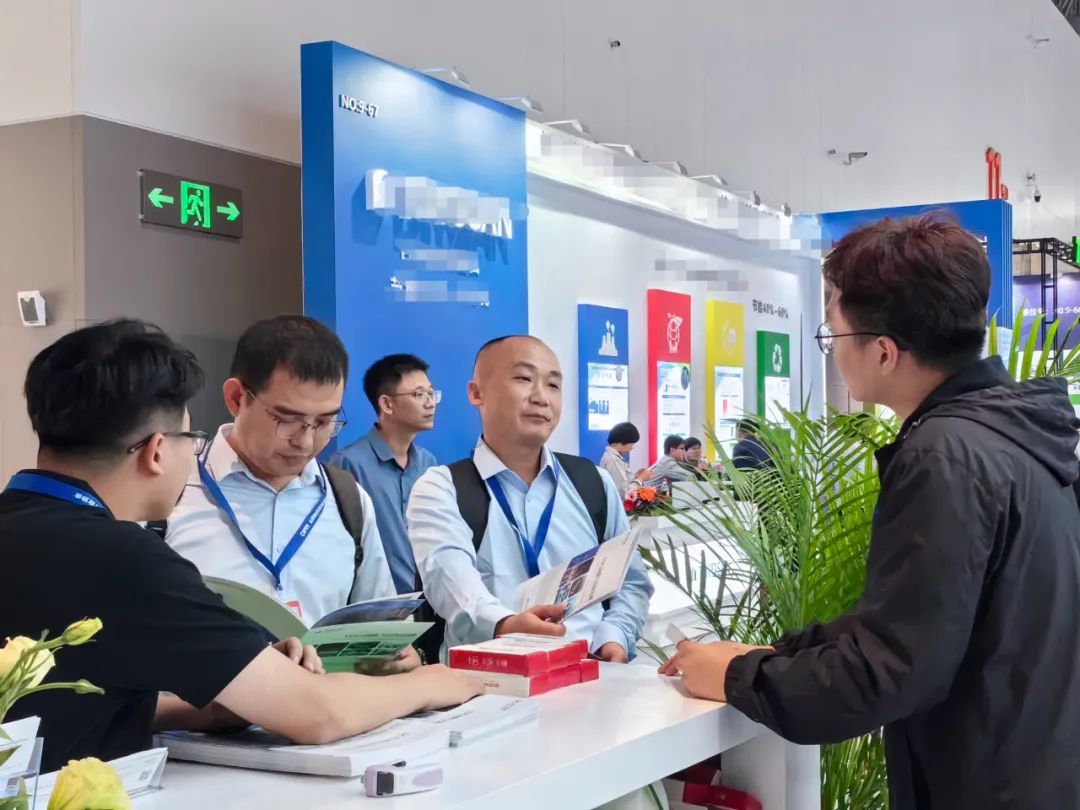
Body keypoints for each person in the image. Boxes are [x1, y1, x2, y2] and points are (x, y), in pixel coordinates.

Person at [661, 215, 1080, 808]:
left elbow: (888, 671)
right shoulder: (1015, 435)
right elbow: (923, 618)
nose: (833, 352)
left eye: (833, 335)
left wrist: (736, 678)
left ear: (883, 352)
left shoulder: (944, 456)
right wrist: (779, 656)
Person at [0, 320, 482, 771]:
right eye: (190, 436)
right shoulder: (128, 558)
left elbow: (69, 700)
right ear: (157, 450)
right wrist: (428, 683)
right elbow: (316, 714)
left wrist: (211, 707)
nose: (305, 440)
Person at [164, 316, 405, 657]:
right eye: (287, 420)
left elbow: (377, 629)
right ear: (236, 398)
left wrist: (393, 656)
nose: (305, 442)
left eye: (324, 422)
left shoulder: (348, 501)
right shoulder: (171, 492)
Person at [408, 335, 654, 661]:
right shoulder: (442, 489)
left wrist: (614, 638)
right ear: (476, 393)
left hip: (592, 675)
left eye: (553, 385)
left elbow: (631, 581)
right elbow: (449, 581)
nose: (541, 397)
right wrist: (505, 625)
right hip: (487, 681)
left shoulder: (592, 482)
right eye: (524, 379)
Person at [330, 354, 439, 594]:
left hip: (426, 601)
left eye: (432, 393)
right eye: (418, 394)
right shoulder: (349, 464)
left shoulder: (428, 463)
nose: (430, 402)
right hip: (375, 602)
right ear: (387, 404)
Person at [598, 421, 647, 497]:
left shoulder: (614, 457)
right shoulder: (612, 460)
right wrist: (640, 479)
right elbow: (624, 494)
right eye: (632, 444)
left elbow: (622, 483)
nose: (632, 448)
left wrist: (636, 476)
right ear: (622, 442)